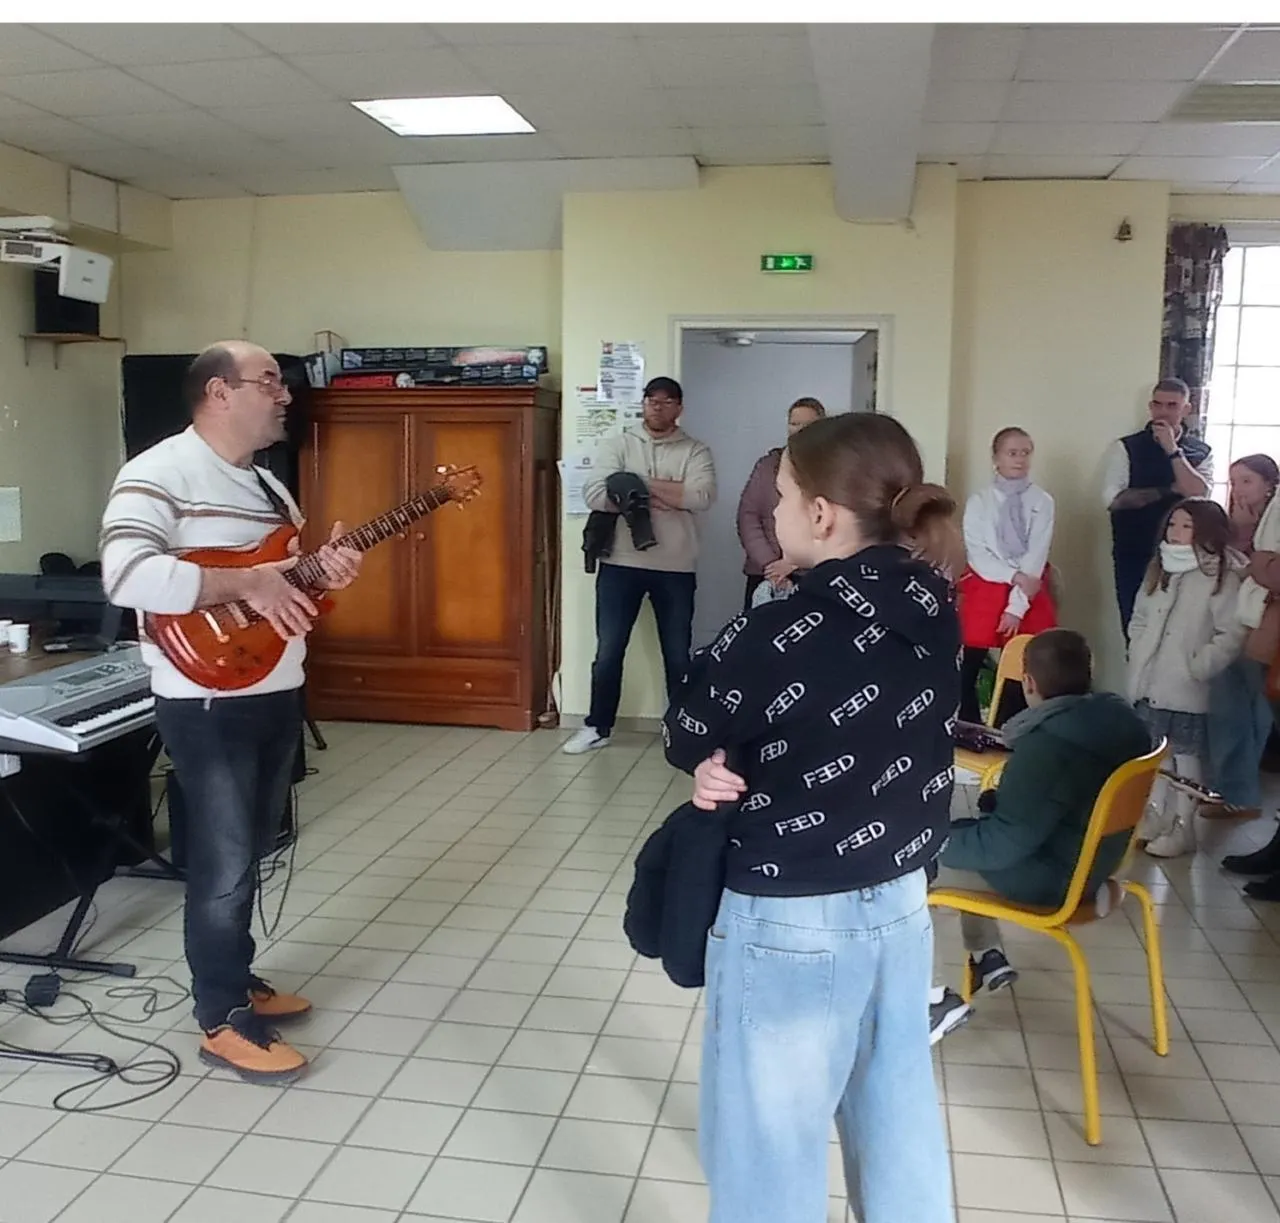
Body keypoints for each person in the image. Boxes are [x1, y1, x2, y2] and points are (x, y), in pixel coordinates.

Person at [664, 412, 959, 1223]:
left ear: (822, 514)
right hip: (900, 899)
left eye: (785, 494)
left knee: (771, 1141)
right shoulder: (936, 602)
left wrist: (717, 760)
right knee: (896, 1116)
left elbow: (686, 730)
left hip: (791, 912)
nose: (777, 508)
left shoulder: (777, 625)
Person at [100, 341, 363, 1084]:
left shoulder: (270, 488)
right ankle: (221, 1017)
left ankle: (236, 974)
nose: (285, 395)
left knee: (251, 850)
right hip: (207, 701)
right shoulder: (158, 472)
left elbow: (285, 587)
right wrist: (249, 581)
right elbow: (127, 575)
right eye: (269, 381)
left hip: (274, 685)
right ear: (219, 392)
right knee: (222, 864)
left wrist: (325, 572)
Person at [928, 630, 1154, 1041]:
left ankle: (930, 1000)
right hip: (1096, 863)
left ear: (1028, 682)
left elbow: (1000, 847)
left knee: (912, 868)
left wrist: (927, 841)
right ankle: (987, 955)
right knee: (965, 834)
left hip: (1053, 880)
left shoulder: (1049, 746)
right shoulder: (1123, 725)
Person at [563, 377, 716, 755]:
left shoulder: (695, 450)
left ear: (679, 408)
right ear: (643, 404)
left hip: (676, 566)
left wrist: (637, 485)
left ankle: (682, 730)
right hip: (620, 562)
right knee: (609, 650)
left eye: (667, 401)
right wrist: (670, 493)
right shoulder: (618, 444)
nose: (658, 407)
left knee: (677, 653)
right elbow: (595, 494)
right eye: (652, 401)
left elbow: (700, 496)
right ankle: (597, 726)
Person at [1128, 498, 1244, 859]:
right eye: (1172, 524)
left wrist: (1200, 665)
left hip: (1187, 687)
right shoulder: (1160, 568)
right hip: (1152, 681)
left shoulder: (1219, 576)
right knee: (1158, 754)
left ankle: (1184, 825)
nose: (1176, 533)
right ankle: (1157, 814)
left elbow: (1231, 633)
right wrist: (1137, 647)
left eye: (1186, 526)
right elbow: (1140, 616)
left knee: (1186, 757)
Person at [958, 426, 1057, 724]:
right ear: (996, 458)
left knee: (1022, 663)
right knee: (967, 664)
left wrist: (1016, 606)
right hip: (987, 584)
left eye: (1026, 453)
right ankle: (969, 727)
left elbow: (1036, 556)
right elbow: (978, 554)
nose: (1020, 459)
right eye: (1012, 453)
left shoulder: (1042, 502)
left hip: (1027, 590)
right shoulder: (980, 501)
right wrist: (1012, 575)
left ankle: (1011, 726)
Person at [1104, 377, 1214, 635]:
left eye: (1172, 405)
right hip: (1135, 551)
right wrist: (1169, 490)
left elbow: (1199, 493)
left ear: (1186, 409)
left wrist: (1173, 450)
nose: (1163, 412)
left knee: (1181, 630)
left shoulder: (1201, 452)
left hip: (1187, 554)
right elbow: (1113, 499)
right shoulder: (1126, 447)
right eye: (1157, 404)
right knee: (1135, 627)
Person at [1206, 454, 1280, 820]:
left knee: (1253, 710)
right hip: (1244, 622)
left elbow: (1270, 572)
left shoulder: (1274, 518)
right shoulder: (1241, 521)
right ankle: (1236, 791)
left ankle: (1240, 793)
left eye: (1247, 481)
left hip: (1267, 628)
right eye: (1233, 481)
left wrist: (1258, 562)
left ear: (1269, 485)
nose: (1237, 489)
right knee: (1235, 706)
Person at [736, 396, 826, 610]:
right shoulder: (768, 465)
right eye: (794, 423)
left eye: (807, 424)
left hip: (813, 574)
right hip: (766, 573)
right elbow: (748, 516)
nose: (799, 430)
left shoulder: (832, 468)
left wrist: (794, 563)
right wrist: (771, 564)